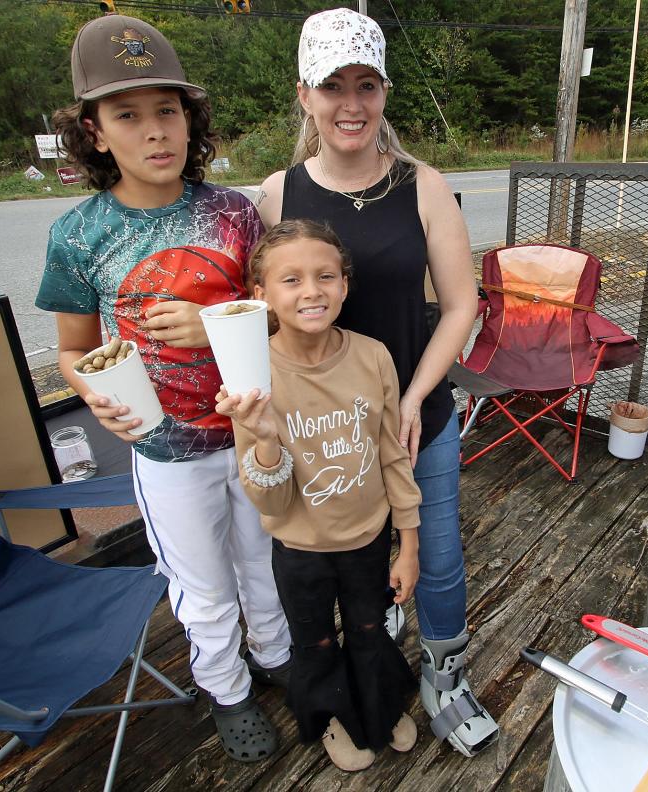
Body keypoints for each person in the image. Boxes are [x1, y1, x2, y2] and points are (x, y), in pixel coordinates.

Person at [35, 13, 291, 763]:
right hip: (167, 448)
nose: (155, 132)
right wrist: (95, 397)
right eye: (127, 115)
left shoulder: (234, 213)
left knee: (263, 556)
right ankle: (227, 687)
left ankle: (275, 655)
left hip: (251, 430)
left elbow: (276, 317)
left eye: (167, 110)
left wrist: (216, 321)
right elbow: (75, 349)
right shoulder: (79, 235)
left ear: (191, 118)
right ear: (93, 130)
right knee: (202, 583)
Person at [255, 7, 499, 757]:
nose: (351, 104)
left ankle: (445, 676)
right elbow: (263, 312)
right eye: (334, 86)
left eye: (367, 84)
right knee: (345, 556)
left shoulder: (423, 186)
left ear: (385, 91)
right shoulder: (277, 194)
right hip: (322, 427)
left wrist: (418, 397)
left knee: (439, 552)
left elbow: (461, 305)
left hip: (414, 412)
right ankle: (361, 667)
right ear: (305, 96)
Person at [217, 219, 420, 771]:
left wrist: (408, 543)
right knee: (316, 642)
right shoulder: (252, 379)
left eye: (325, 275)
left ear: (345, 285)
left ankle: (376, 704)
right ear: (261, 296)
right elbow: (273, 504)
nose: (311, 290)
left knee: (367, 628)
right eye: (291, 280)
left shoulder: (372, 356)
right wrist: (262, 441)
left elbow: (391, 454)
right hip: (300, 549)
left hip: (368, 538)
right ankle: (332, 712)